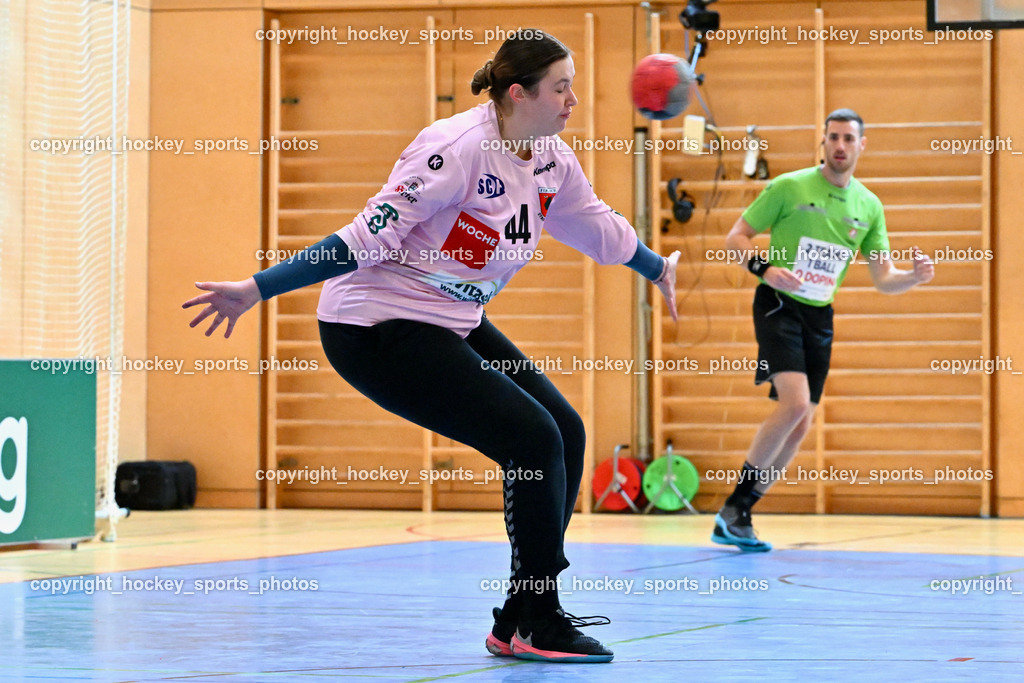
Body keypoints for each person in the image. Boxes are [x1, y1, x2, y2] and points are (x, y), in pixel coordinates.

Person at [183, 30, 679, 663]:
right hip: (375, 326)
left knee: (565, 431)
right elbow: (363, 238)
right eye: (561, 88)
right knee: (530, 438)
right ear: (518, 93)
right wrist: (258, 287)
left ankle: (520, 617)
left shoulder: (550, 158)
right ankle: (540, 618)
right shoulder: (455, 151)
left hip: (451, 318)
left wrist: (656, 267)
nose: (573, 100)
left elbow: (597, 225)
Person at [714, 108, 935, 552]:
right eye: (833, 137)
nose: (840, 146)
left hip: (820, 317)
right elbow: (735, 238)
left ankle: (739, 512)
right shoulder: (789, 187)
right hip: (779, 304)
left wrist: (913, 277)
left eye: (848, 139)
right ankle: (734, 510)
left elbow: (882, 277)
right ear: (824, 142)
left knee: (801, 423)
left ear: (861, 145)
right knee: (794, 404)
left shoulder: (869, 206)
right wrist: (765, 268)